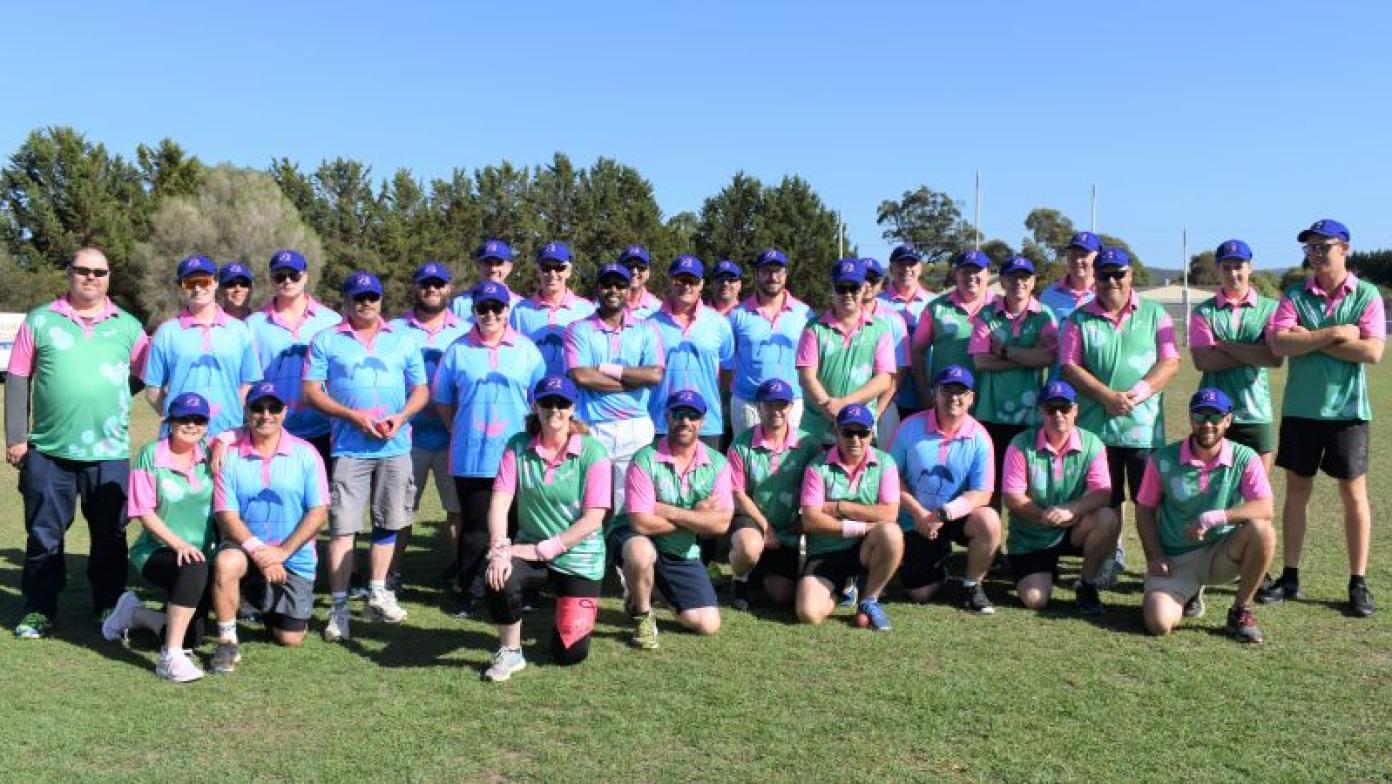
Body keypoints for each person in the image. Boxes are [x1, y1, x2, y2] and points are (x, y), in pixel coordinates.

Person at [6, 248, 149, 639]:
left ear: (109, 277)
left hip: (110, 453)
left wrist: (113, 394)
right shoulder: (40, 320)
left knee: (110, 535)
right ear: (69, 273)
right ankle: (39, 609)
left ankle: (109, 605)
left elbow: (147, 375)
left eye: (98, 272)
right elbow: (18, 377)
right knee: (44, 536)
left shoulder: (129, 327)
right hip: (48, 451)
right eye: (82, 270)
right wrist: (17, 437)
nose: (90, 277)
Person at [1259, 219, 1385, 616]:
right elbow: (1280, 343)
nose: (1314, 254)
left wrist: (1310, 339)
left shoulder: (1366, 295)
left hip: (1348, 413)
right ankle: (1290, 576)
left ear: (1344, 249)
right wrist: (1336, 333)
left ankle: (1358, 582)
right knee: (1297, 493)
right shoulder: (1294, 294)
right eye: (1310, 248)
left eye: (1322, 247)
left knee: (1353, 496)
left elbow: (1372, 352)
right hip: (1301, 410)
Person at [303, 271, 429, 641]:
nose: (366, 303)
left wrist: (402, 416)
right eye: (358, 297)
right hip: (348, 447)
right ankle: (340, 609)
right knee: (343, 528)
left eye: (372, 297)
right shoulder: (327, 339)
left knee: (388, 522)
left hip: (396, 445)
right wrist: (352, 416)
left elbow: (420, 390)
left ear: (380, 299)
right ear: (346, 300)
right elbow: (311, 391)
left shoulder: (403, 340)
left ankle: (377, 591)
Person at [1059, 246, 1181, 587]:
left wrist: (1138, 393)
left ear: (1131, 276)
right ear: (1095, 279)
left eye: (1118, 274)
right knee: (1106, 503)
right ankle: (1106, 563)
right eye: (1104, 275)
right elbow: (1069, 366)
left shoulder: (1156, 313)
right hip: (1096, 433)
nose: (1111, 280)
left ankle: (1159, 566)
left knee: (1151, 503)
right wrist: (1106, 397)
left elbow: (1170, 362)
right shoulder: (1078, 318)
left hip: (1144, 432)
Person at [480, 377, 612, 681]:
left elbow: (593, 519)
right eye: (547, 402)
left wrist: (544, 549)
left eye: (562, 403)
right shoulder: (516, 445)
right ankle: (511, 651)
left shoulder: (594, 452)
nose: (555, 409)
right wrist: (500, 549)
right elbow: (500, 501)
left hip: (580, 555)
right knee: (498, 574)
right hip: (530, 548)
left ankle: (563, 615)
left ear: (573, 408)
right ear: (535, 406)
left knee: (569, 655)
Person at [434, 281, 546, 617]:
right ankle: (468, 592)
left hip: (516, 456)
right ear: (474, 312)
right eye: (483, 308)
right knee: (475, 530)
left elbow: (538, 401)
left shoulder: (527, 350)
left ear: (507, 311)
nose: (490, 314)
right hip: (472, 457)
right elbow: (442, 399)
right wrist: (459, 428)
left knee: (517, 527)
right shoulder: (457, 350)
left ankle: (520, 590)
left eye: (497, 308)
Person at [1137, 389, 1276, 643]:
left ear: (1228, 420)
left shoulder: (1245, 457)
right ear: (1191, 418)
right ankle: (1188, 593)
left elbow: (1265, 508)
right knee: (1157, 623)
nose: (1208, 424)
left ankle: (1240, 611)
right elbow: (1145, 508)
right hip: (1176, 559)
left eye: (1216, 417)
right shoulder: (1162, 459)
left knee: (1262, 530)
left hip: (1222, 553)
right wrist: (1154, 554)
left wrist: (1217, 517)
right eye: (1200, 416)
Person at [210, 382, 329, 672]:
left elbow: (319, 512)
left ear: (284, 412)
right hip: (246, 546)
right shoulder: (229, 453)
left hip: (292, 554)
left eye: (273, 407)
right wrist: (261, 553)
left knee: (290, 638)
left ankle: (259, 600)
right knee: (226, 562)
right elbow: (226, 514)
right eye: (258, 408)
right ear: (246, 411)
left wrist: (282, 553)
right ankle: (227, 641)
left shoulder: (306, 454)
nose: (266, 415)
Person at [102, 393, 217, 682]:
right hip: (157, 551)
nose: (191, 425)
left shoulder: (211, 454)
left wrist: (225, 441)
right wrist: (179, 544)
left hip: (202, 555)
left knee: (193, 636)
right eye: (183, 418)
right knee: (193, 565)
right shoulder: (150, 454)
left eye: (199, 419)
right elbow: (144, 512)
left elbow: (242, 434)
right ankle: (170, 658)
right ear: (169, 420)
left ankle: (134, 614)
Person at [613, 390, 733, 649]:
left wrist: (669, 511)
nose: (685, 421)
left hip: (680, 546)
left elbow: (721, 524)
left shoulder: (718, 463)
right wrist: (696, 517)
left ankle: (646, 590)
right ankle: (643, 616)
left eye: (692, 416)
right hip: (635, 536)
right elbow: (641, 523)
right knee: (640, 550)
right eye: (678, 414)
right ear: (667, 417)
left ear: (702, 421)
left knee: (707, 624)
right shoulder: (644, 458)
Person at [889, 365, 1001, 614]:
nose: (954, 398)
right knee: (919, 593)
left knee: (990, 520)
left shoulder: (980, 437)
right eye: (947, 390)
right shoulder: (909, 427)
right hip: (916, 518)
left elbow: (982, 493)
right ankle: (941, 563)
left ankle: (972, 585)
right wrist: (919, 513)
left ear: (972, 398)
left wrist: (943, 514)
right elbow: (890, 477)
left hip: (953, 515)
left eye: (961, 392)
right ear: (935, 394)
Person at [1000, 381, 1118, 615]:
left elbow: (1103, 493)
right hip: (1030, 536)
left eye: (1064, 408)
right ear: (1040, 410)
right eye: (1050, 408)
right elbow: (1012, 497)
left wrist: (1072, 509)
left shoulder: (1092, 444)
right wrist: (1043, 515)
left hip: (1072, 529)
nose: (1058, 414)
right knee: (1036, 601)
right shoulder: (1021, 444)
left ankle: (1087, 585)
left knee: (1106, 518)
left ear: (1075, 410)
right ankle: (1044, 569)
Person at [389, 261, 470, 587]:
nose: (432, 289)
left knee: (457, 511)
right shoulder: (393, 328)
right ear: (416, 287)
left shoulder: (466, 330)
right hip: (407, 436)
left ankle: (461, 575)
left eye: (438, 284)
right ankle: (389, 574)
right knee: (398, 510)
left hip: (453, 435)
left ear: (449, 288)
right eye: (425, 283)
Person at [564, 262, 664, 520]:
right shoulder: (579, 328)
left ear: (628, 288)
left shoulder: (647, 329)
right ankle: (595, 557)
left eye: (619, 284)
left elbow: (654, 375)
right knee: (591, 498)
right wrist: (633, 379)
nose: (613, 290)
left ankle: (623, 557)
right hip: (593, 425)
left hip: (635, 425)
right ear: (598, 288)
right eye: (607, 284)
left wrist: (609, 370)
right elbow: (581, 376)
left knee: (630, 501)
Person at [797, 404, 903, 629]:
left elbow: (889, 513)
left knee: (891, 533)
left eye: (862, 432)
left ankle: (869, 600)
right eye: (848, 432)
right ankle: (842, 589)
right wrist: (863, 527)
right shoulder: (817, 467)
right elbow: (811, 520)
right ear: (836, 431)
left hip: (865, 549)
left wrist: (840, 506)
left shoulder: (886, 463)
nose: (855, 439)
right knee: (808, 613)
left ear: (871, 433)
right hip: (826, 552)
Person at [967, 256, 1059, 509]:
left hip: (1030, 417)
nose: (1019, 282)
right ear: (1003, 281)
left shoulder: (1044, 315)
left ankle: (1021, 545)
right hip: (990, 413)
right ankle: (992, 546)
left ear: (1033, 282)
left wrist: (1005, 351)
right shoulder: (986, 314)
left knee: (1025, 486)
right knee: (991, 487)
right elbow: (981, 362)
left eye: (1025, 277)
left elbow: (1049, 357)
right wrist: (1029, 358)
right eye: (1013, 277)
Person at [725, 378, 822, 610]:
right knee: (749, 547)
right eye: (769, 405)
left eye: (781, 404)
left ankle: (756, 572)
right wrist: (766, 528)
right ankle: (740, 580)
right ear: (759, 407)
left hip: (789, 525)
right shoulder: (741, 444)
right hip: (751, 518)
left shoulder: (809, 443)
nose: (775, 411)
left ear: (790, 407)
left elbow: (818, 488)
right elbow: (737, 493)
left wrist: (803, 518)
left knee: (782, 596)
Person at [1188, 239, 1281, 473]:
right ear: (1218, 269)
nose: (1233, 273)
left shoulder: (1270, 308)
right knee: (1217, 488)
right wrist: (1253, 351)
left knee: (1257, 490)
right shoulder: (1203, 312)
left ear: (1250, 267)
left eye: (1239, 266)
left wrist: (1223, 345)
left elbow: (1274, 358)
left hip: (1255, 411)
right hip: (1212, 412)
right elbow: (1203, 361)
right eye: (1226, 267)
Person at [143, 254, 261, 438]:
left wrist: (233, 409)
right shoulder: (166, 333)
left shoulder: (240, 331)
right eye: (190, 283)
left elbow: (250, 380)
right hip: (179, 439)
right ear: (181, 287)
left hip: (227, 435)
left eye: (204, 281)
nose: (197, 288)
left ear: (215, 283)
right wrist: (175, 416)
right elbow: (152, 389)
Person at [245, 249, 343, 467]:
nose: (287, 281)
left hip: (324, 429)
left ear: (305, 276)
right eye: (280, 276)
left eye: (294, 275)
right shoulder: (254, 325)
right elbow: (247, 380)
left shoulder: (332, 321)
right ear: (271, 280)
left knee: (321, 499)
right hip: (272, 428)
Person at [796, 258, 895, 444]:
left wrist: (844, 406)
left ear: (864, 288)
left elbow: (883, 380)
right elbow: (806, 376)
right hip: (817, 430)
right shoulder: (814, 328)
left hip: (860, 429)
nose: (848, 294)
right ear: (832, 289)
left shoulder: (880, 329)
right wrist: (831, 410)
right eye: (842, 287)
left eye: (854, 288)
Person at [646, 255, 735, 449]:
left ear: (702, 284)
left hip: (706, 423)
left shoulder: (719, 323)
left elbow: (727, 370)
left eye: (692, 281)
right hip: (661, 421)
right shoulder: (649, 324)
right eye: (680, 280)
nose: (686, 286)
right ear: (671, 281)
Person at [727, 248, 814, 437]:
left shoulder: (805, 314)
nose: (772, 277)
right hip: (748, 404)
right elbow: (726, 363)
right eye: (766, 271)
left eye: (778, 271)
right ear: (757, 274)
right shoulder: (737, 315)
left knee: (789, 463)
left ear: (785, 274)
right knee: (747, 462)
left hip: (791, 404)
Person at [910, 249, 994, 401]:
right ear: (956, 274)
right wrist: (924, 394)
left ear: (988, 274)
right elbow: (917, 352)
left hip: (992, 403)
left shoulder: (1002, 306)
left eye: (977, 271)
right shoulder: (936, 308)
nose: (971, 276)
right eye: (965, 271)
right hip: (949, 401)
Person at [509, 241, 596, 377]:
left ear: (568, 271)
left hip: (573, 393)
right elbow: (513, 357)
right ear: (538, 271)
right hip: (534, 394)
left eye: (559, 267)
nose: (552, 273)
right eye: (546, 267)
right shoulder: (520, 311)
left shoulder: (586, 310)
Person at [879, 244, 936, 418]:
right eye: (901, 264)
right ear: (891, 268)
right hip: (889, 398)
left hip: (928, 395)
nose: (907, 269)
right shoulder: (877, 304)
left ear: (920, 268)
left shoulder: (935, 303)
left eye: (912, 264)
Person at [451, 239, 522, 319]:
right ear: (478, 266)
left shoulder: (520, 306)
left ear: (509, 267)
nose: (493, 269)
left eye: (499, 263)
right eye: (488, 262)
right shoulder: (460, 304)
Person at [1039, 231, 1099, 322]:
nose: (1078, 260)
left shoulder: (1106, 294)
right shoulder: (1048, 296)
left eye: (1084, 255)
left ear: (1098, 257)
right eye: (1074, 254)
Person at [618, 244, 662, 320]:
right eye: (629, 265)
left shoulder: (658, 310)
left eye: (641, 266)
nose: (634, 271)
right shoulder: (601, 306)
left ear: (648, 272)